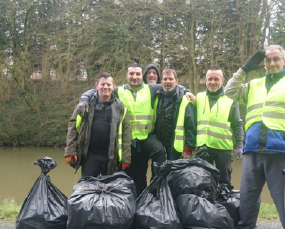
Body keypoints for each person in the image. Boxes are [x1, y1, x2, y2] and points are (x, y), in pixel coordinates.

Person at [225, 45, 285, 229]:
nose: (272, 63)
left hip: (281, 150)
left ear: (284, 61)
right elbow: (229, 91)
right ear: (263, 63)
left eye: (276, 59)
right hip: (253, 149)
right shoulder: (253, 85)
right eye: (268, 60)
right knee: (247, 195)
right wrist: (245, 68)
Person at [77, 63, 191, 196]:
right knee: (134, 173)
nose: (134, 77)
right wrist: (84, 98)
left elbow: (172, 84)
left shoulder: (151, 89)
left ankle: (157, 188)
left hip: (145, 137)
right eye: (131, 74)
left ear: (141, 76)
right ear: (127, 76)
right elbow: (99, 89)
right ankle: (129, 198)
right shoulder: (119, 91)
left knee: (160, 152)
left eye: (137, 74)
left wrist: (186, 91)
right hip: (127, 140)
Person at [64, 72, 131, 177]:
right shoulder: (85, 105)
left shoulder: (121, 107)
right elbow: (72, 126)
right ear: (96, 86)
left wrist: (125, 158)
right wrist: (70, 151)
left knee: (109, 191)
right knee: (87, 191)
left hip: (111, 158)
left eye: (108, 85)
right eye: (102, 84)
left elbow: (126, 134)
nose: (105, 87)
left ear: (113, 87)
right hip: (89, 157)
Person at [195, 66, 244, 187]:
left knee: (224, 183)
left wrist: (240, 144)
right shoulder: (199, 98)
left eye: (216, 79)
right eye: (210, 79)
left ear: (222, 81)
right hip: (204, 147)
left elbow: (237, 123)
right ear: (205, 80)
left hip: (224, 149)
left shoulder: (231, 99)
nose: (212, 82)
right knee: (204, 182)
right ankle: (207, 205)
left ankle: (224, 205)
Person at [150, 69, 196, 160]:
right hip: (159, 146)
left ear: (177, 82)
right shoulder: (156, 97)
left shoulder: (185, 100)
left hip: (176, 148)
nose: (168, 82)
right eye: (165, 79)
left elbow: (191, 126)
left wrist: (188, 148)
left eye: (171, 79)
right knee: (158, 172)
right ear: (161, 82)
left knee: (175, 173)